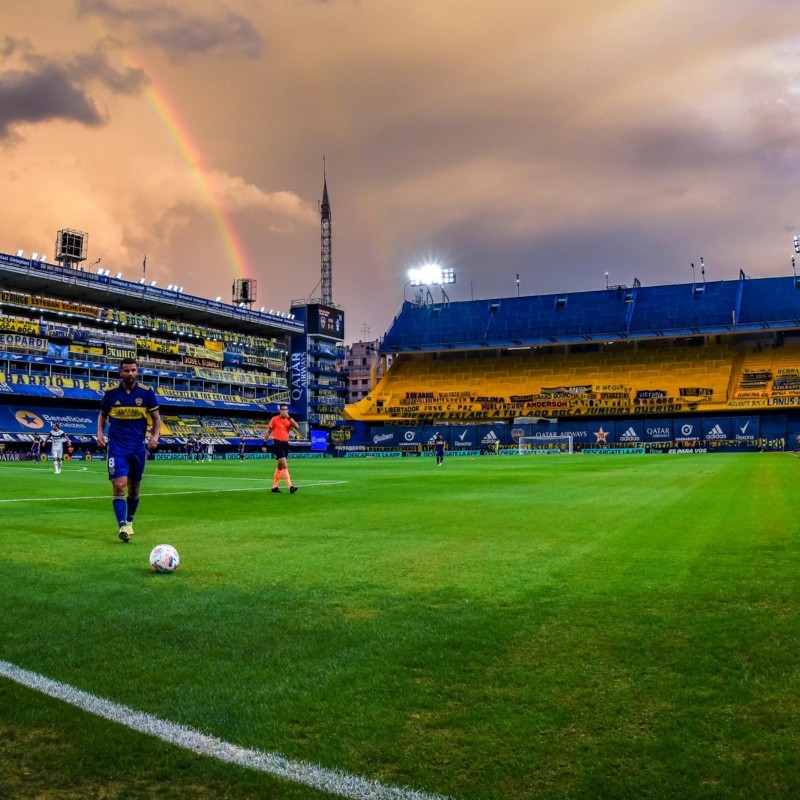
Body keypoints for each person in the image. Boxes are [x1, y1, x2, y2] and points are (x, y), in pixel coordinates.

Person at [97, 358, 161, 543]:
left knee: (134, 489)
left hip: (137, 447)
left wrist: (155, 436)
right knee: (119, 486)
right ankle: (122, 525)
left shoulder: (147, 394)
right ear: (120, 373)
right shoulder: (110, 394)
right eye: (126, 370)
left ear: (137, 371)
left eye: (133, 370)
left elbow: (156, 418)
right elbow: (102, 415)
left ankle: (130, 520)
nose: (130, 373)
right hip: (117, 447)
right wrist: (100, 433)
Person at [264, 403, 300, 493]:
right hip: (277, 443)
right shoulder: (274, 419)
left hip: (285, 444)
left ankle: (274, 487)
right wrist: (264, 444)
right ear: (280, 410)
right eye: (283, 409)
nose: (285, 411)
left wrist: (289, 418)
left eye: (286, 409)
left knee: (280, 467)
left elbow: (297, 427)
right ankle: (290, 487)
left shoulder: (289, 420)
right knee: (284, 465)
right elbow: (268, 432)